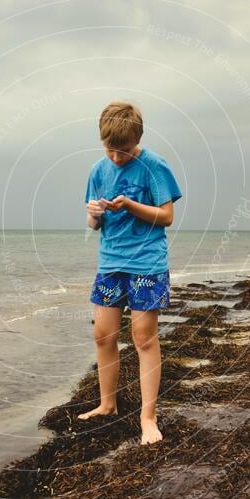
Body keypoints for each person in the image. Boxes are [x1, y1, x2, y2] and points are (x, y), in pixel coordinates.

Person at [81, 101, 182, 444]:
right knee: (104, 336)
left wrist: (130, 205)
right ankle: (107, 404)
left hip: (146, 264)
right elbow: (94, 224)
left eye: (122, 151)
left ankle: (148, 417)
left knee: (143, 338)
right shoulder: (98, 170)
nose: (116, 157)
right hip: (110, 264)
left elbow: (167, 216)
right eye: (110, 149)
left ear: (137, 138)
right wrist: (94, 213)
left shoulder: (154, 166)